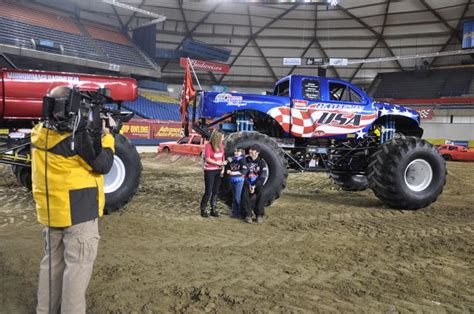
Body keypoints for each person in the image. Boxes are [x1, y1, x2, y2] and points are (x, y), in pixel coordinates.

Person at [32, 86, 115, 314]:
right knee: (77, 270)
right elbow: (103, 164)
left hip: (52, 211)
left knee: (52, 266)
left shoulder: (40, 132)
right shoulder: (76, 140)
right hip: (78, 213)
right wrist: (107, 136)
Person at [200, 129, 226, 218]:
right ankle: (203, 209)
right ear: (217, 137)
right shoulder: (208, 146)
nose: (223, 138)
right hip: (210, 171)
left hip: (218, 170)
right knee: (208, 191)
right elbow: (207, 159)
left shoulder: (221, 145)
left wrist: (222, 168)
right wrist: (218, 163)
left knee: (215, 191)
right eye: (222, 136)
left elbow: (223, 157)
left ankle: (213, 209)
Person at [242, 145, 268, 223]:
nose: (250, 151)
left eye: (252, 150)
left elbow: (262, 177)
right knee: (244, 192)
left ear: (257, 152)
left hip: (256, 184)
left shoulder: (261, 162)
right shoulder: (245, 161)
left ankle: (259, 215)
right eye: (250, 149)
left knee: (262, 192)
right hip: (247, 183)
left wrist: (254, 185)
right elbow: (243, 174)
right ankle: (248, 215)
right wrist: (249, 184)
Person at [226, 147, 248, 218]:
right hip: (232, 180)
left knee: (237, 197)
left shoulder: (243, 160)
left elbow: (244, 170)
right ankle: (234, 213)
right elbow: (229, 166)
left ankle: (239, 213)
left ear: (242, 153)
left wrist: (235, 173)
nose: (236, 153)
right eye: (235, 151)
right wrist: (228, 170)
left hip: (239, 180)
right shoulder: (233, 159)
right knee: (234, 197)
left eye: (238, 152)